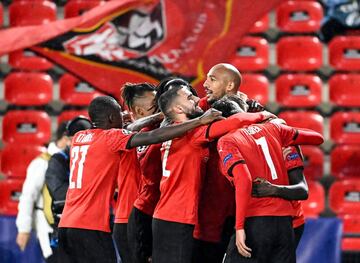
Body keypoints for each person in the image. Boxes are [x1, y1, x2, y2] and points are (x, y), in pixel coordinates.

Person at [58, 95, 224, 263]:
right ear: (110, 117)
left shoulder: (79, 137)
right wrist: (199, 121)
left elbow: (126, 129)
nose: (123, 115)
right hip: (90, 227)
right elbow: (154, 136)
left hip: (65, 225)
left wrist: (156, 117)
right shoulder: (111, 138)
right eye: (119, 112)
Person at [152, 83, 275, 263]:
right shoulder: (192, 134)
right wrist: (264, 115)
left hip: (166, 214)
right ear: (178, 108)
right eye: (189, 97)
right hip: (178, 217)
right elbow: (236, 121)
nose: (196, 99)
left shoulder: (169, 132)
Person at [212, 98, 323, 263]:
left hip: (255, 221)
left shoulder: (227, 140)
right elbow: (317, 138)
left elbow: (244, 179)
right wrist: (290, 136)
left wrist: (240, 227)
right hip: (284, 224)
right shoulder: (273, 128)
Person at [118, 83, 161, 263]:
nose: (161, 106)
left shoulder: (158, 132)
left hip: (152, 217)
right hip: (129, 218)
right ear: (140, 111)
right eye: (155, 104)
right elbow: (129, 130)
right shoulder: (122, 135)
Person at [16, 122, 70, 262]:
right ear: (65, 138)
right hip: (49, 229)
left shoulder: (73, 160)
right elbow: (28, 196)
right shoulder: (42, 163)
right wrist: (24, 229)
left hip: (70, 228)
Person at [45, 116, 93, 251]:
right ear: (68, 140)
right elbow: (59, 193)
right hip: (67, 228)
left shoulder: (95, 161)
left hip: (94, 228)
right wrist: (90, 192)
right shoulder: (58, 161)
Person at [252, 144, 308, 248]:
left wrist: (273, 189)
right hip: (254, 220)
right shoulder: (239, 141)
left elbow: (302, 191)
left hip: (289, 223)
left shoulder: (286, 147)